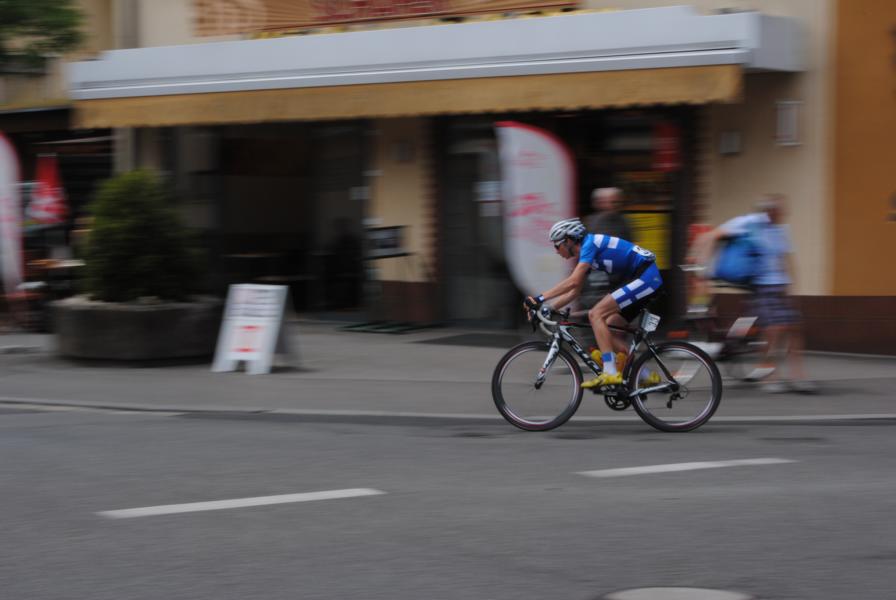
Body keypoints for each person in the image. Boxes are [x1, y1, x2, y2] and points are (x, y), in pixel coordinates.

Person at [523, 217, 663, 389]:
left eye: (556, 245)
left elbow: (573, 282)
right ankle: (644, 375)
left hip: (646, 277)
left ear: (568, 241)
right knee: (609, 327)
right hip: (639, 278)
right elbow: (575, 291)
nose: (556, 251)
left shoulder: (590, 245)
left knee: (595, 314)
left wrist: (539, 299)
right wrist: (549, 308)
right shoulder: (587, 253)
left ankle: (610, 372)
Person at [696, 194, 816, 393]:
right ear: (768, 211)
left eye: (781, 211)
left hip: (781, 286)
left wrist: (792, 289)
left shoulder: (781, 229)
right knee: (773, 330)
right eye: (777, 211)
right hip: (762, 285)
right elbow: (710, 236)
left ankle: (798, 376)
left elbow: (786, 259)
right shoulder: (747, 223)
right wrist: (703, 270)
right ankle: (769, 377)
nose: (781, 215)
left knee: (795, 328)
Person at [580, 187, 635, 309]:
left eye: (615, 202)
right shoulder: (590, 222)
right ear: (597, 203)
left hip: (619, 279)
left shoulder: (625, 223)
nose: (610, 206)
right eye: (605, 202)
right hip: (597, 280)